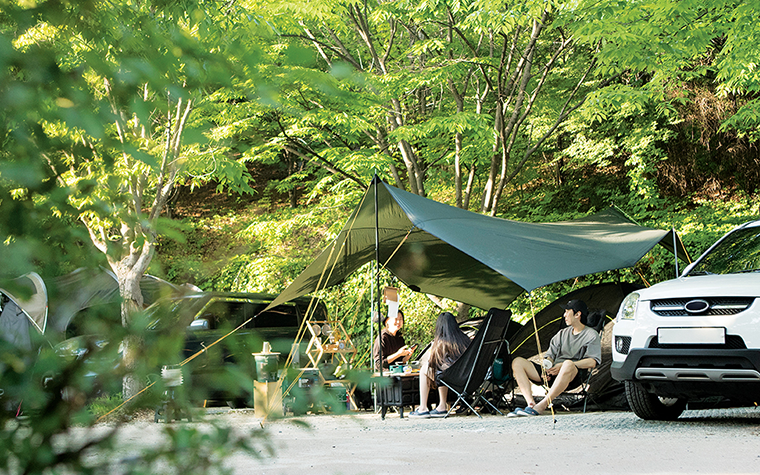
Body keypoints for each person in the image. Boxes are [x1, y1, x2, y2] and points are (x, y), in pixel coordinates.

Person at [508, 299, 601, 416]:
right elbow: (550, 356)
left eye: (567, 312)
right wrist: (546, 368)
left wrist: (565, 365)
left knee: (568, 363)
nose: (564, 315)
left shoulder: (591, 335)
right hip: (553, 373)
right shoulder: (562, 333)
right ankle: (530, 404)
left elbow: (593, 362)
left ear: (577, 314)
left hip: (573, 375)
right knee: (517, 362)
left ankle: (542, 405)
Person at [409, 311, 471, 419]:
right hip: (466, 378)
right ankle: (441, 406)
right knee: (442, 370)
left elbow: (432, 363)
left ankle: (423, 407)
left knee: (426, 369)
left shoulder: (440, 343)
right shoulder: (465, 340)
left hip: (449, 378)